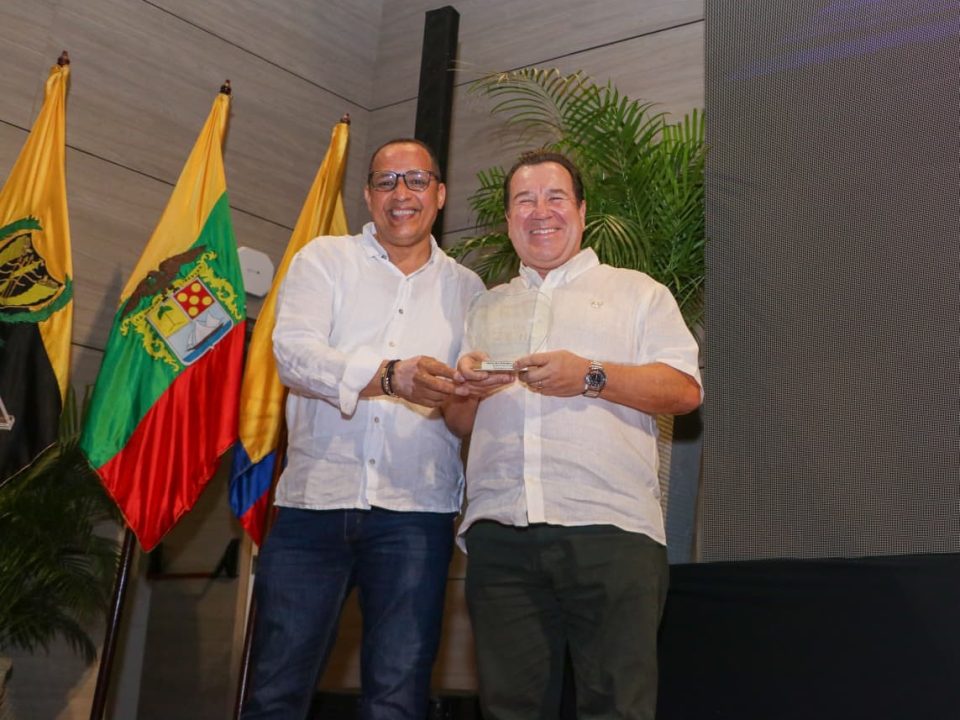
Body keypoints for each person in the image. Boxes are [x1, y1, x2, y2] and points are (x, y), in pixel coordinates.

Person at [454, 150, 703, 719]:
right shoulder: (484, 307)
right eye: (524, 201)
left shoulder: (639, 293)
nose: (540, 211)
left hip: (610, 531)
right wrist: (465, 391)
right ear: (509, 220)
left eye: (555, 197)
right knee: (507, 709)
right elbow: (459, 424)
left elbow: (684, 390)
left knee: (617, 707)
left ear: (583, 212)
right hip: (500, 534)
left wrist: (590, 375)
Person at [241, 138, 485, 720]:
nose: (402, 194)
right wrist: (390, 377)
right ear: (368, 195)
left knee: (397, 696)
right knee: (275, 690)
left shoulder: (470, 290)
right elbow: (293, 356)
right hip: (312, 508)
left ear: (440, 194)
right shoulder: (324, 260)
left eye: (417, 180)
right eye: (386, 181)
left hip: (416, 514)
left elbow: (468, 405)